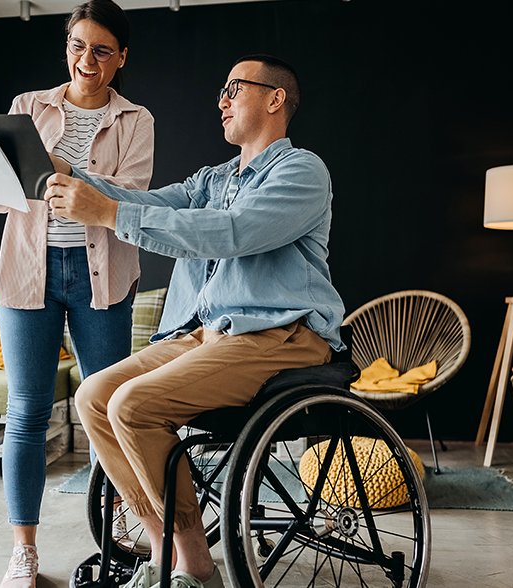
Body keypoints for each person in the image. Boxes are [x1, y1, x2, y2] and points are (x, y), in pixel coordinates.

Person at [46, 55, 345, 588]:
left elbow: (231, 232)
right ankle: (172, 553)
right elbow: (143, 201)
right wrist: (66, 175)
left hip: (280, 333)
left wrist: (110, 215)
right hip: (207, 335)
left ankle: (188, 563)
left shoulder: (302, 171)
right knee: (93, 397)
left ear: (275, 99)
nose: (221, 99)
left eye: (234, 88)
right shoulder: (214, 178)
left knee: (132, 404)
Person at [0, 2, 153, 587]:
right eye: (77, 46)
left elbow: (130, 199)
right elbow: (3, 195)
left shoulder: (137, 119)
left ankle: (115, 528)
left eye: (102, 50)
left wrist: (60, 167)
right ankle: (24, 550)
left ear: (122, 58)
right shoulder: (27, 108)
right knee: (27, 411)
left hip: (102, 275)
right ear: (67, 45)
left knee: (108, 413)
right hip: (26, 272)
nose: (87, 61)